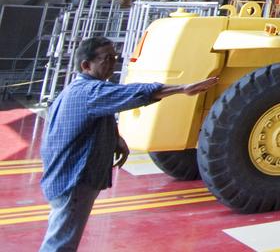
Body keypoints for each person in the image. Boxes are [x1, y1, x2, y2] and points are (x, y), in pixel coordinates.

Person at [40, 37, 217, 252]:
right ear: (86, 65)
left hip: (66, 178)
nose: (113, 63)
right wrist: (181, 88)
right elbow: (131, 93)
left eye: (115, 58)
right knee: (61, 242)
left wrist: (115, 139)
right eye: (107, 59)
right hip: (74, 180)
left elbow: (96, 115)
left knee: (62, 234)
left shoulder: (77, 91)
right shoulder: (88, 92)